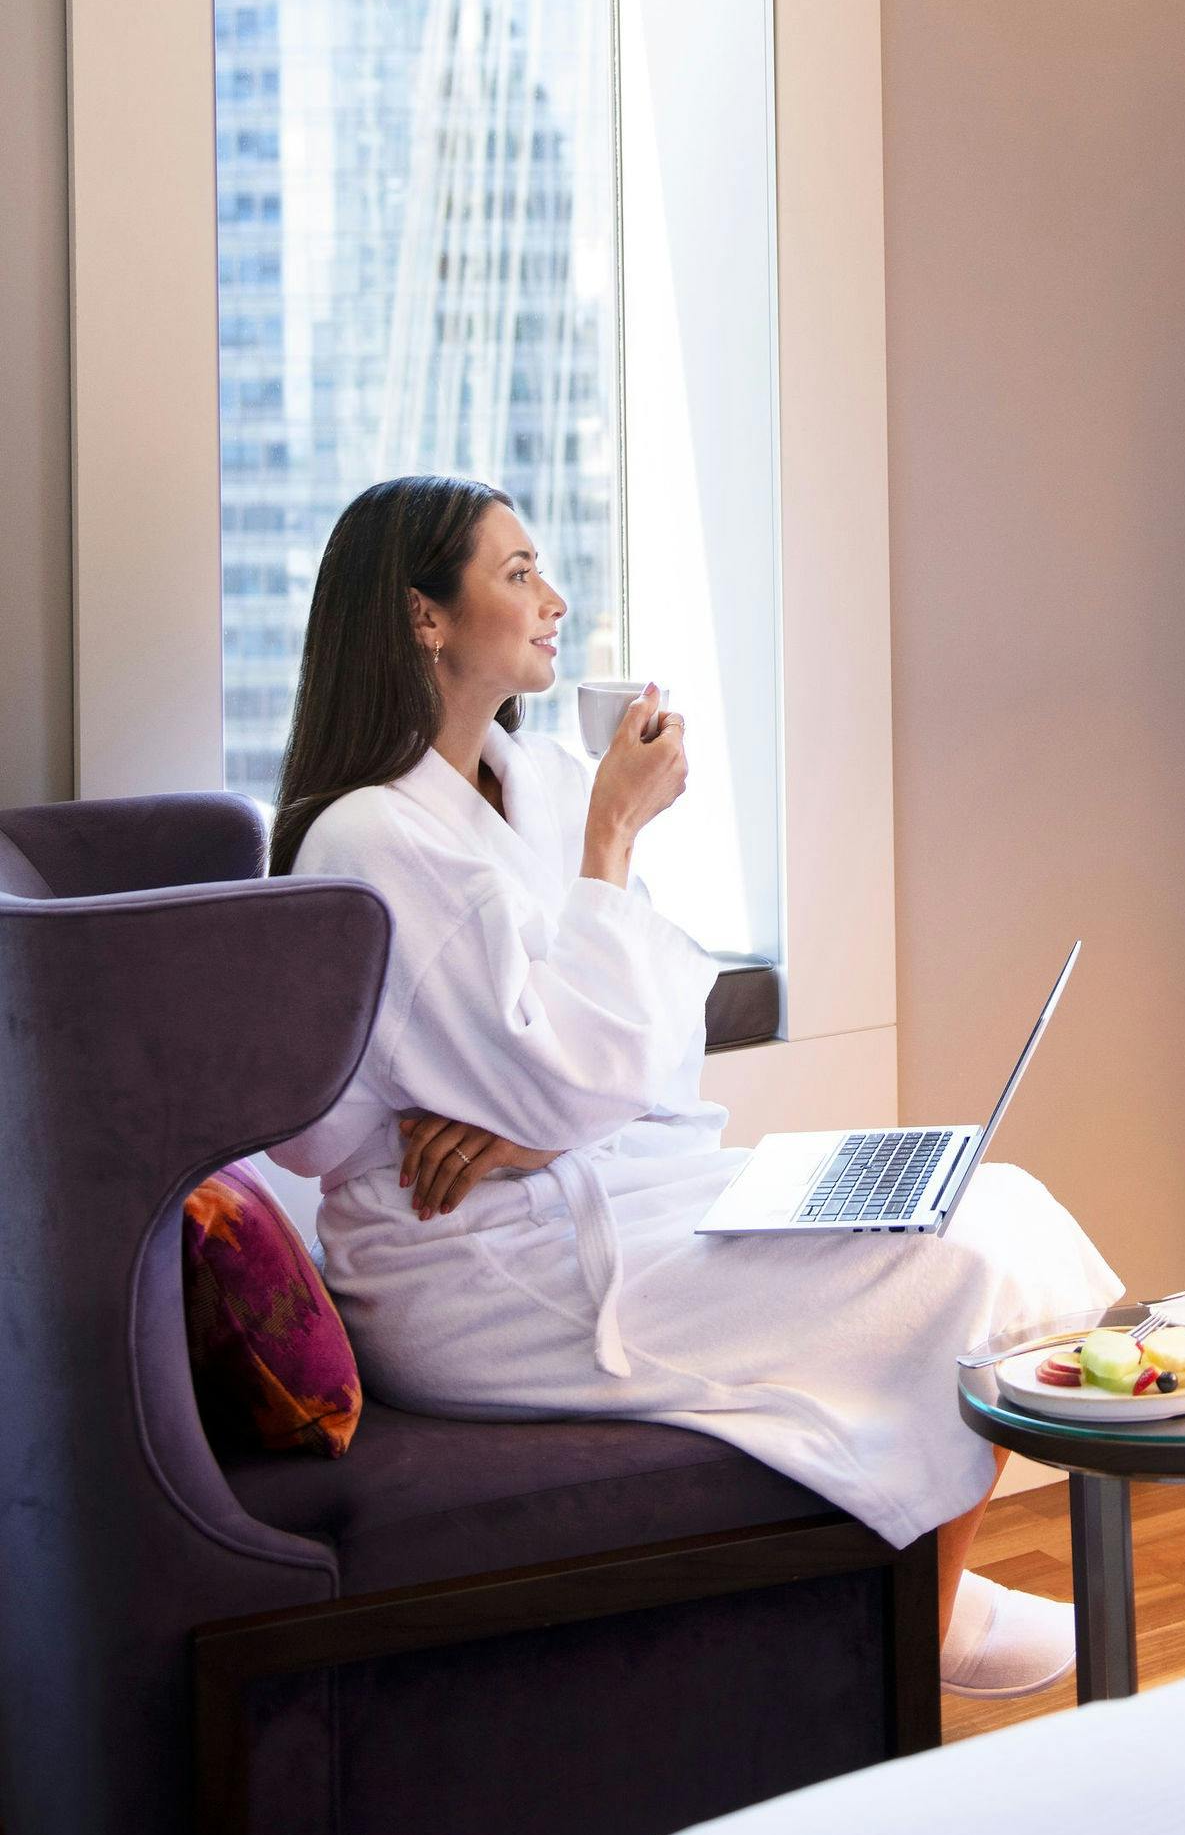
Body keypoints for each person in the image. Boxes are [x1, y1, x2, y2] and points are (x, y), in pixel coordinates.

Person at [267, 473, 1118, 1697]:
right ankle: (908, 1644)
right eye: (517, 575)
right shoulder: (371, 837)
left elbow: (655, 1043)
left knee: (991, 1200)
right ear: (424, 619)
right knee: (958, 1266)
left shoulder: (543, 780)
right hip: (483, 1265)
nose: (554, 601)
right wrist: (614, 847)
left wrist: (528, 1128)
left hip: (601, 1181)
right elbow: (570, 1068)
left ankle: (913, 1586)